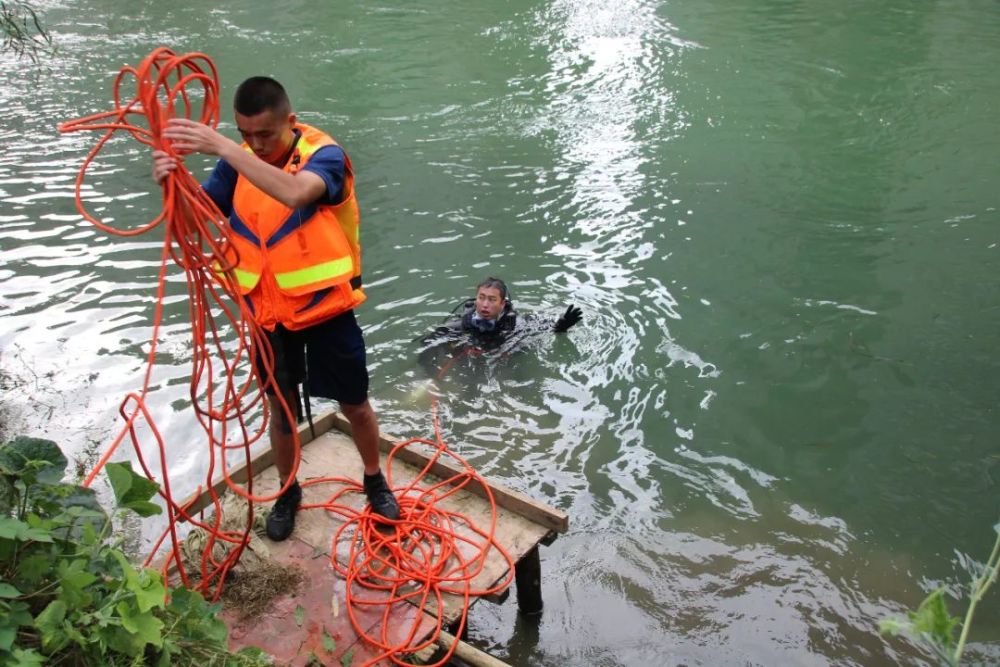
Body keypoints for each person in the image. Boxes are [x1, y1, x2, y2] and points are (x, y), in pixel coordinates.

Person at [152, 76, 399, 541]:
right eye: (246, 135)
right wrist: (173, 186)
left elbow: (294, 193)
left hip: (327, 310)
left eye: (265, 134)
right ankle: (288, 491)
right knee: (280, 410)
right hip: (267, 314)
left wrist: (225, 147)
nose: (256, 145)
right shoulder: (238, 162)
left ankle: (374, 478)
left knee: (355, 403)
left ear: (290, 119)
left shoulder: (324, 155)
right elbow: (197, 223)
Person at [417, 277, 583, 372]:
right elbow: (428, 342)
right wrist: (429, 366)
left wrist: (562, 326)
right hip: (470, 361)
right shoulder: (462, 324)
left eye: (492, 299)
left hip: (505, 362)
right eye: (481, 297)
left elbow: (548, 327)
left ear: (503, 304)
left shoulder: (517, 324)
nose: (484, 304)